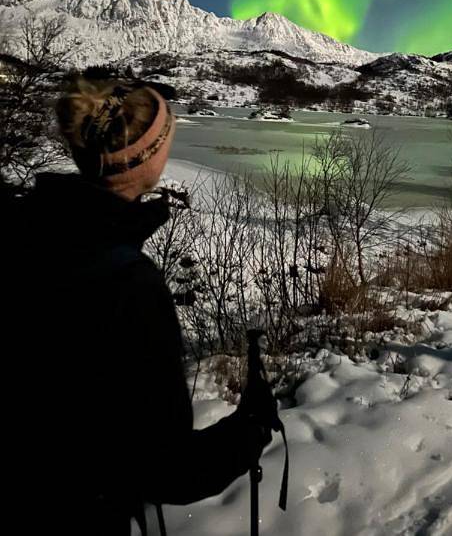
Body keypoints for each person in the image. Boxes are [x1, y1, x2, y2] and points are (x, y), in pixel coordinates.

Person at [12, 76, 272, 535]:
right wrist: (250, 429)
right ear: (148, 156)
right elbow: (165, 467)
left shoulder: (26, 228)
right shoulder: (128, 284)